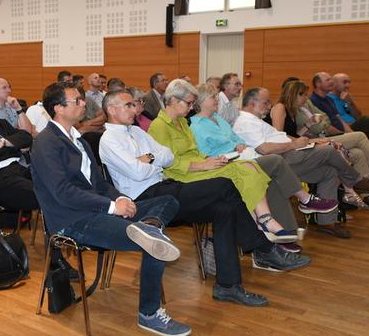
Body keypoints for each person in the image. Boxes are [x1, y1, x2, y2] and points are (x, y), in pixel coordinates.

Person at [100, 89, 310, 304]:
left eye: (133, 104)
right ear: (112, 109)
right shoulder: (108, 140)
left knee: (225, 208)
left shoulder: (137, 132)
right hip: (146, 200)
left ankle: (228, 286)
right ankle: (263, 248)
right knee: (226, 185)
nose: (134, 109)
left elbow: (168, 156)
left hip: (165, 186)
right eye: (128, 105)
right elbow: (138, 171)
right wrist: (153, 159)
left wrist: (149, 158)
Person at [31, 82, 190, 336]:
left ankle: (148, 226)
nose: (84, 104)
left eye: (82, 99)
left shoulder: (78, 139)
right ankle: (149, 314)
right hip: (72, 220)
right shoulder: (46, 142)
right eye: (77, 101)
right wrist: (111, 206)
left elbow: (101, 184)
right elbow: (62, 192)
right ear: (58, 108)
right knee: (154, 243)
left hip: (97, 210)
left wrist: (123, 200)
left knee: (167, 201)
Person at [148, 80, 298, 242]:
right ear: (173, 101)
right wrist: (204, 164)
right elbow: (168, 163)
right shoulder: (159, 126)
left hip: (198, 166)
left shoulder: (182, 122)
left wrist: (210, 159)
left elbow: (195, 152)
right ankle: (262, 221)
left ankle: (263, 219)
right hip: (182, 176)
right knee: (238, 170)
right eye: (189, 103)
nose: (192, 107)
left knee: (249, 165)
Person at [189, 83, 339, 236]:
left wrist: (238, 144)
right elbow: (205, 156)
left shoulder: (218, 119)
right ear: (201, 101)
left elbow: (236, 138)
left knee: (274, 180)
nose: (217, 99)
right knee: (275, 160)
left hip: (243, 157)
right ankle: (305, 199)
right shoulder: (196, 127)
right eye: (213, 97)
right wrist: (230, 152)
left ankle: (287, 233)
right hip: (227, 165)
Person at [233, 88, 361, 239]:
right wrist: (295, 145)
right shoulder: (246, 121)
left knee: (330, 172)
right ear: (252, 103)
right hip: (280, 161)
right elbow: (264, 149)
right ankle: (355, 181)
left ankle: (327, 222)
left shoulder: (256, 120)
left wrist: (306, 142)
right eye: (266, 102)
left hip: (288, 156)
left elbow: (281, 138)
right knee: (329, 151)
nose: (269, 106)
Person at [270, 80, 369, 197]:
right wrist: (307, 141)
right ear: (295, 94)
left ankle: (365, 192)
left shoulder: (292, 111)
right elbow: (278, 135)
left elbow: (295, 133)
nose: (306, 98)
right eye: (304, 95)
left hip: (299, 144)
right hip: (291, 149)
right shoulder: (280, 107)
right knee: (357, 137)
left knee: (357, 153)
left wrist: (309, 125)